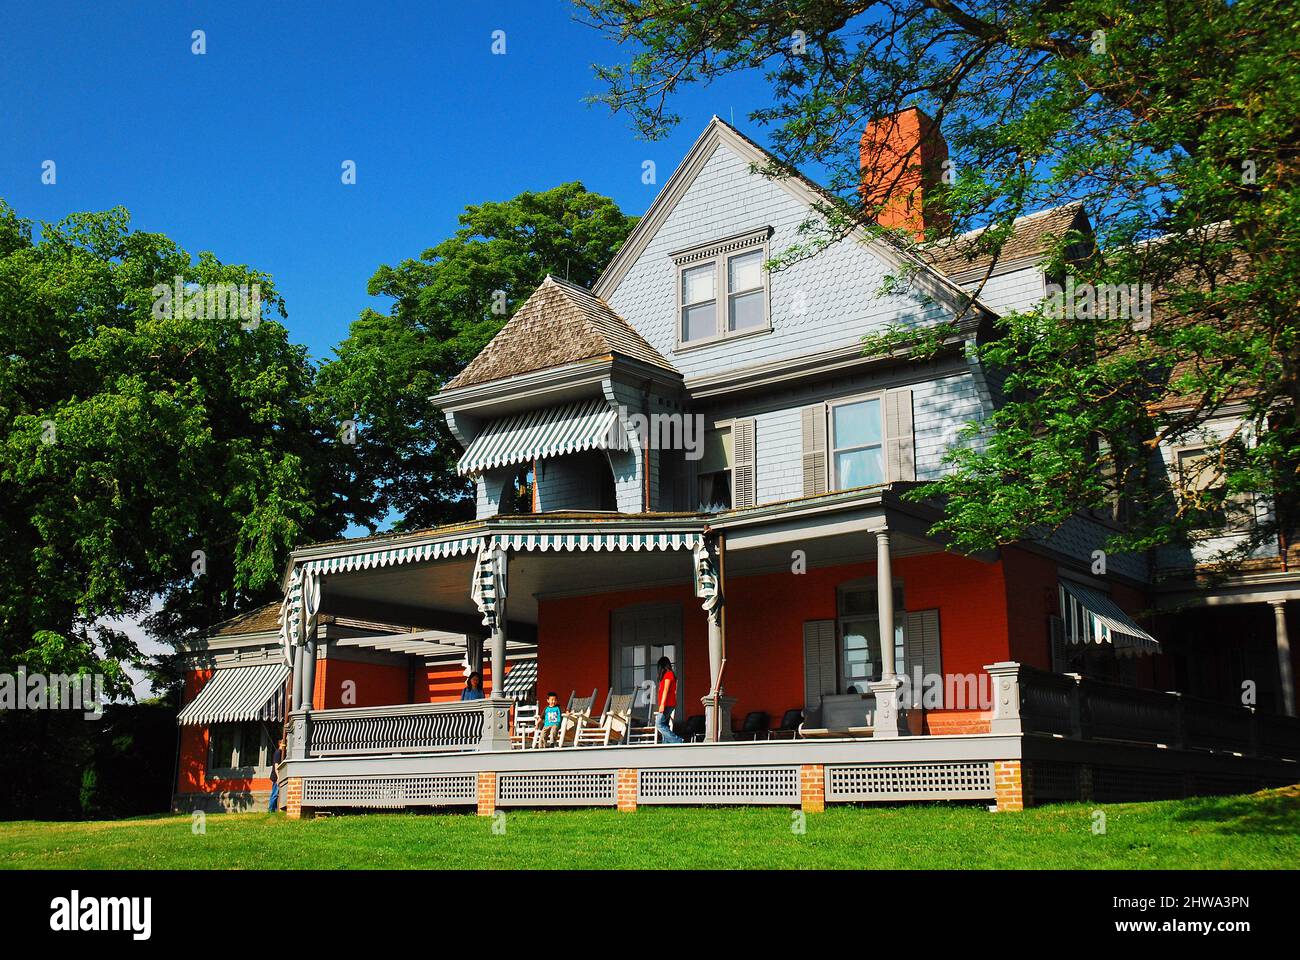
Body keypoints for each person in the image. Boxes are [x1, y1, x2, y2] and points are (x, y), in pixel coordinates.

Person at [654, 656, 683, 743]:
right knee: (665, 724)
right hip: (667, 703)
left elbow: (666, 690)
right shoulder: (665, 676)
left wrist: (662, 704)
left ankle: (677, 740)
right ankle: (665, 744)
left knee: (659, 723)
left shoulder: (669, 674)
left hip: (668, 704)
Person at [268, 737, 285, 812]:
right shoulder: (278, 752)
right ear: (280, 744)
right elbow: (276, 766)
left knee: (276, 793)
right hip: (276, 776)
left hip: (278, 776)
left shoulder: (282, 753)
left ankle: (274, 809)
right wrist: (278, 777)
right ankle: (270, 809)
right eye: (284, 743)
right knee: (274, 794)